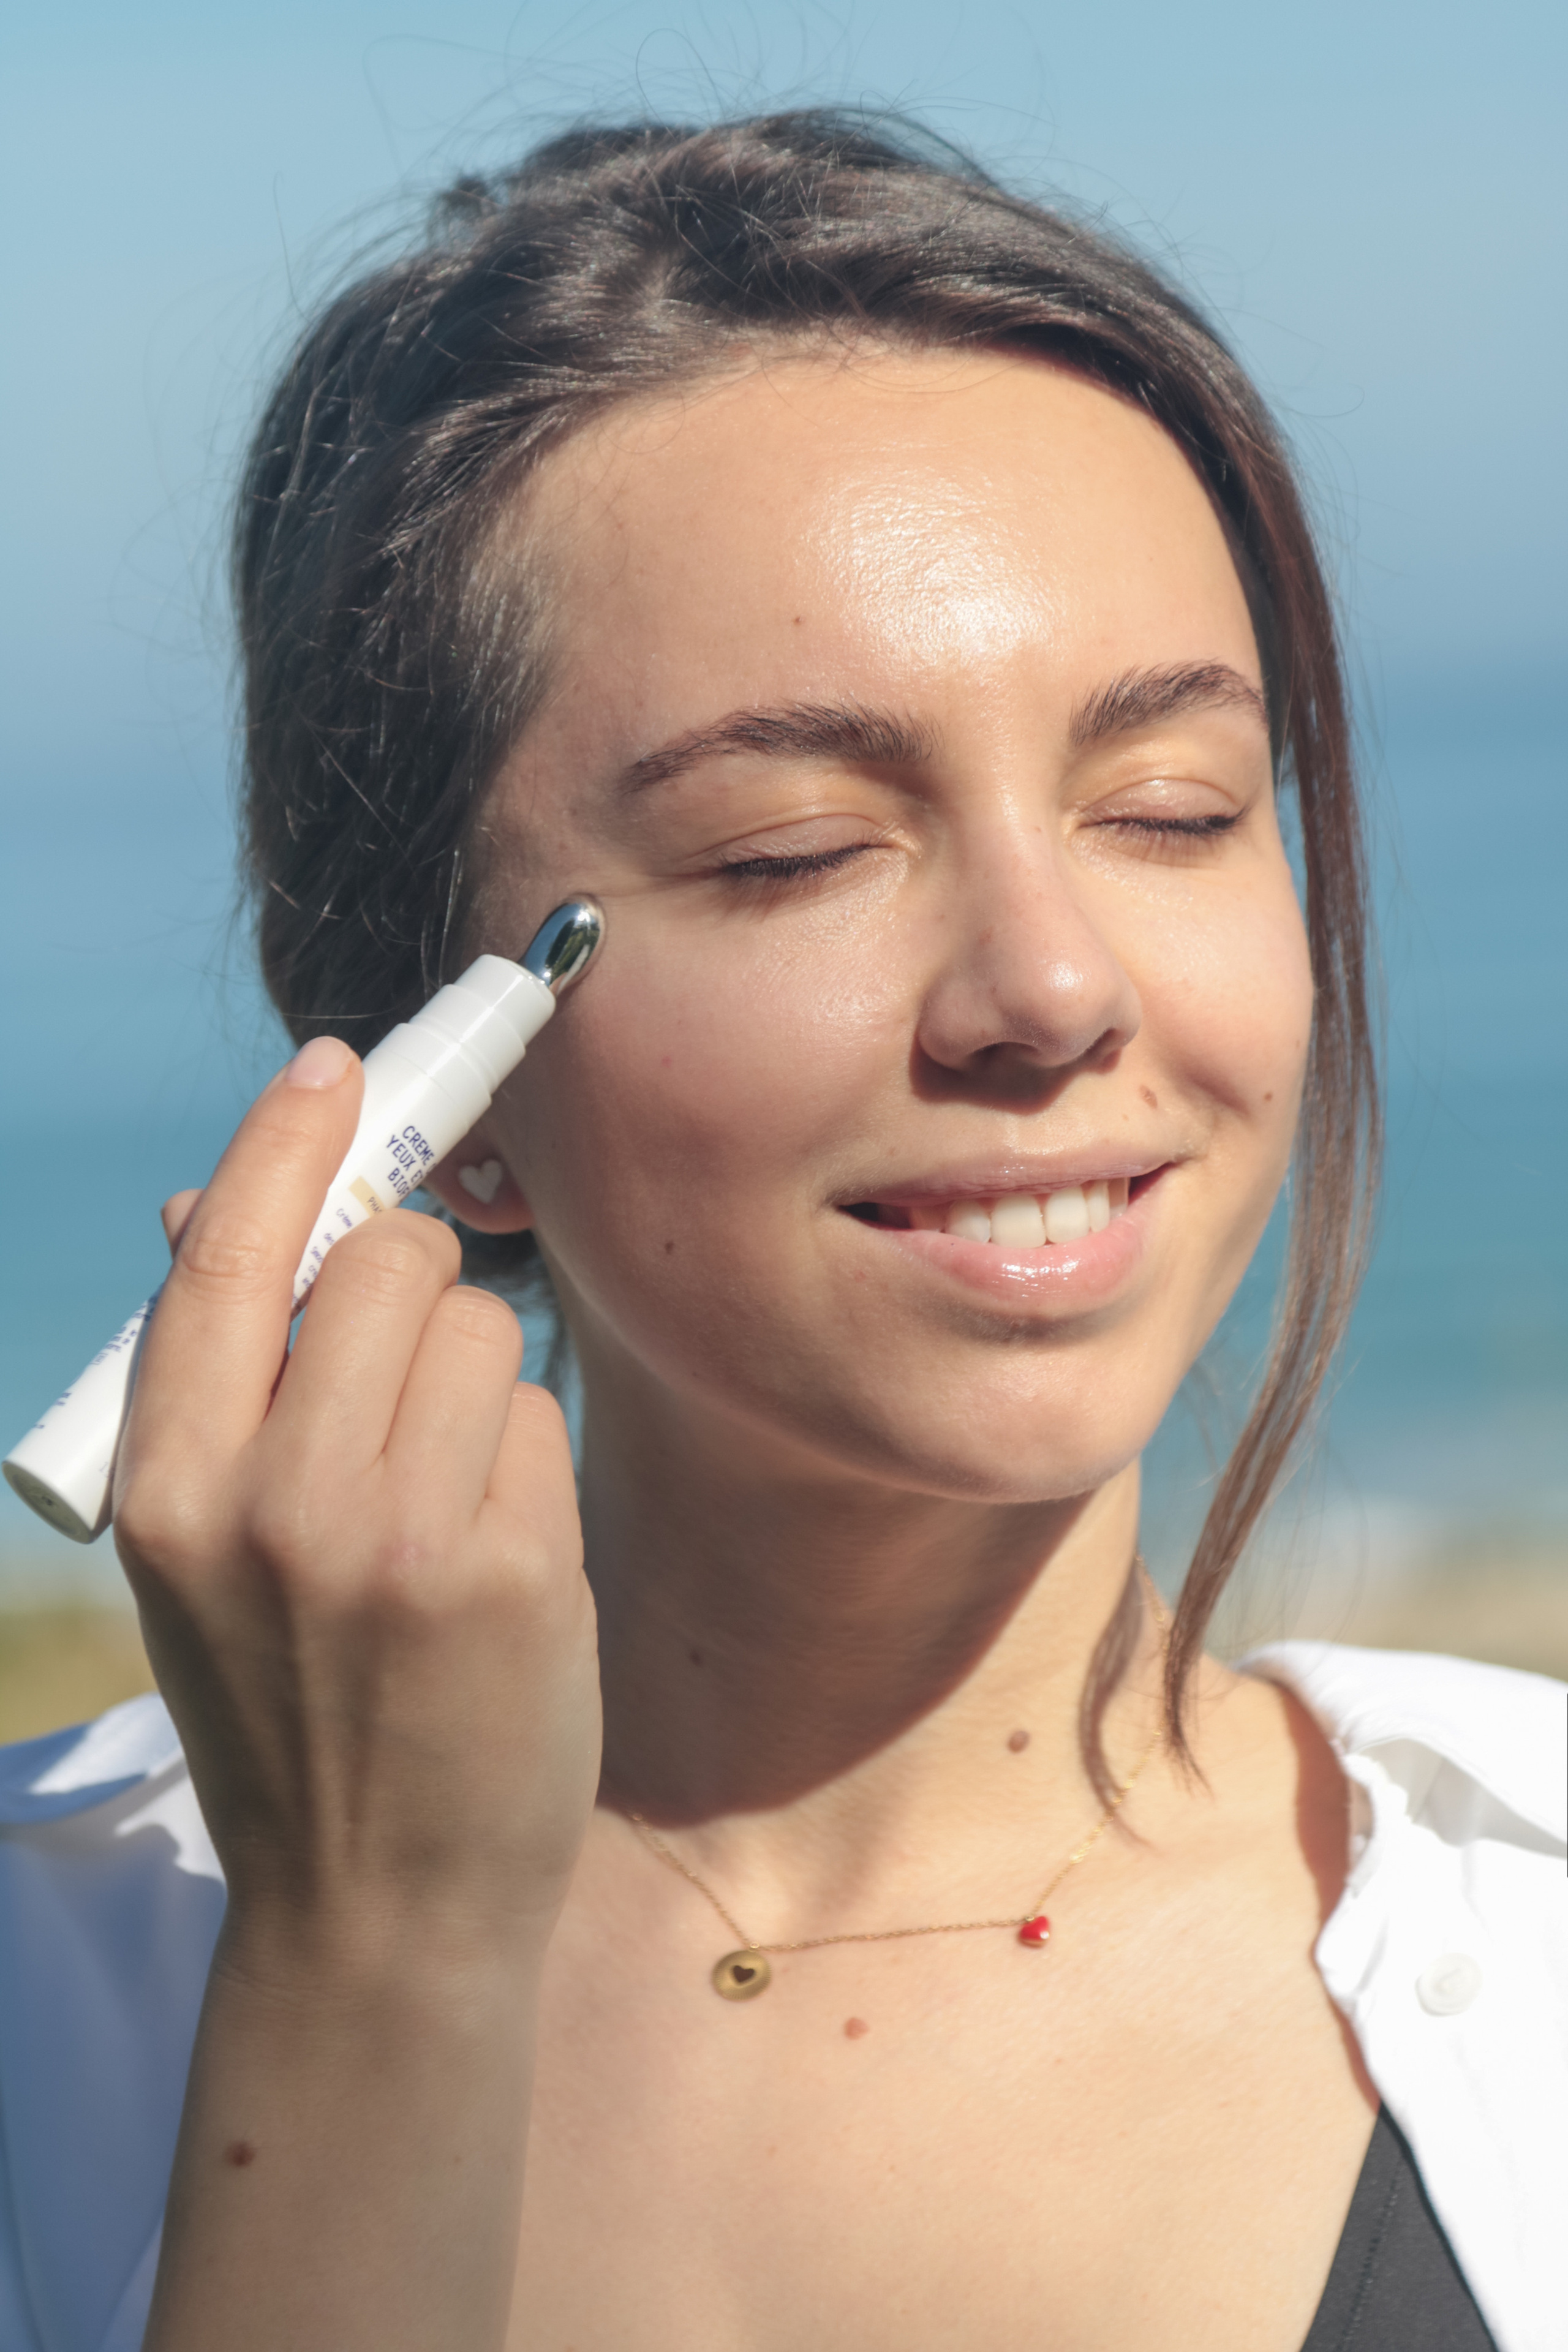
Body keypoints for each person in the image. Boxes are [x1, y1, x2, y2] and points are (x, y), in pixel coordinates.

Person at [0, 114, 1561, 2352]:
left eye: (1173, 809)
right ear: (436, 1075)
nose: (1054, 985)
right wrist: (368, 1968)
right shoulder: (54, 1996)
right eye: (793, 851)